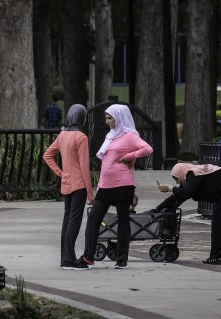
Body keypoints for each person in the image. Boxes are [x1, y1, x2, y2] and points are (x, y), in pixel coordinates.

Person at [79, 104, 153, 269]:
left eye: (110, 118)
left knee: (123, 220)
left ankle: (121, 259)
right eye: (106, 117)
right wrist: (99, 185)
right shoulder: (111, 136)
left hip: (123, 185)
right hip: (105, 186)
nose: (107, 121)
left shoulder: (129, 136)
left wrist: (130, 155)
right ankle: (88, 257)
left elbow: (147, 148)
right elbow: (106, 162)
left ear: (119, 117)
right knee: (93, 218)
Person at [155, 162, 221, 265]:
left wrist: (170, 188)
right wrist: (157, 210)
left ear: (182, 173)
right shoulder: (194, 175)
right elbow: (178, 197)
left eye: (176, 179)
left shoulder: (193, 174)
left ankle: (219, 256)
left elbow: (186, 193)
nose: (177, 183)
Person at [43, 104, 94, 270]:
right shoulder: (81, 137)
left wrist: (60, 173)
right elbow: (84, 168)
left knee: (67, 221)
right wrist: (90, 193)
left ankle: (65, 258)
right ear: (82, 118)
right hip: (79, 184)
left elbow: (47, 155)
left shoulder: (63, 134)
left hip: (66, 182)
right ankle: (69, 260)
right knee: (74, 221)